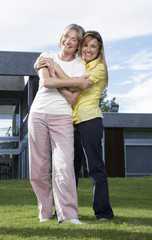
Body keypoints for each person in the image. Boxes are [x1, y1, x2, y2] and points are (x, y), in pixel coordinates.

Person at [35, 30, 114, 221]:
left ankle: (103, 212)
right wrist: (45, 66)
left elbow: (74, 86)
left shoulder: (98, 68)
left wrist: (53, 68)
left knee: (95, 167)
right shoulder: (79, 66)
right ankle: (64, 209)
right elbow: (69, 82)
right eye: (85, 45)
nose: (88, 49)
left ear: (99, 49)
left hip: (89, 120)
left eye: (93, 46)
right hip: (72, 120)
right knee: (69, 168)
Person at [28, 24, 93, 224]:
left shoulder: (81, 66)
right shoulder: (46, 56)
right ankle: (45, 213)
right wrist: (74, 82)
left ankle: (69, 215)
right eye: (67, 36)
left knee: (64, 165)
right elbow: (46, 82)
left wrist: (59, 75)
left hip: (62, 117)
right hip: (38, 113)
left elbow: (73, 99)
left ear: (78, 44)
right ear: (61, 38)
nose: (68, 41)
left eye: (74, 39)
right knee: (38, 167)